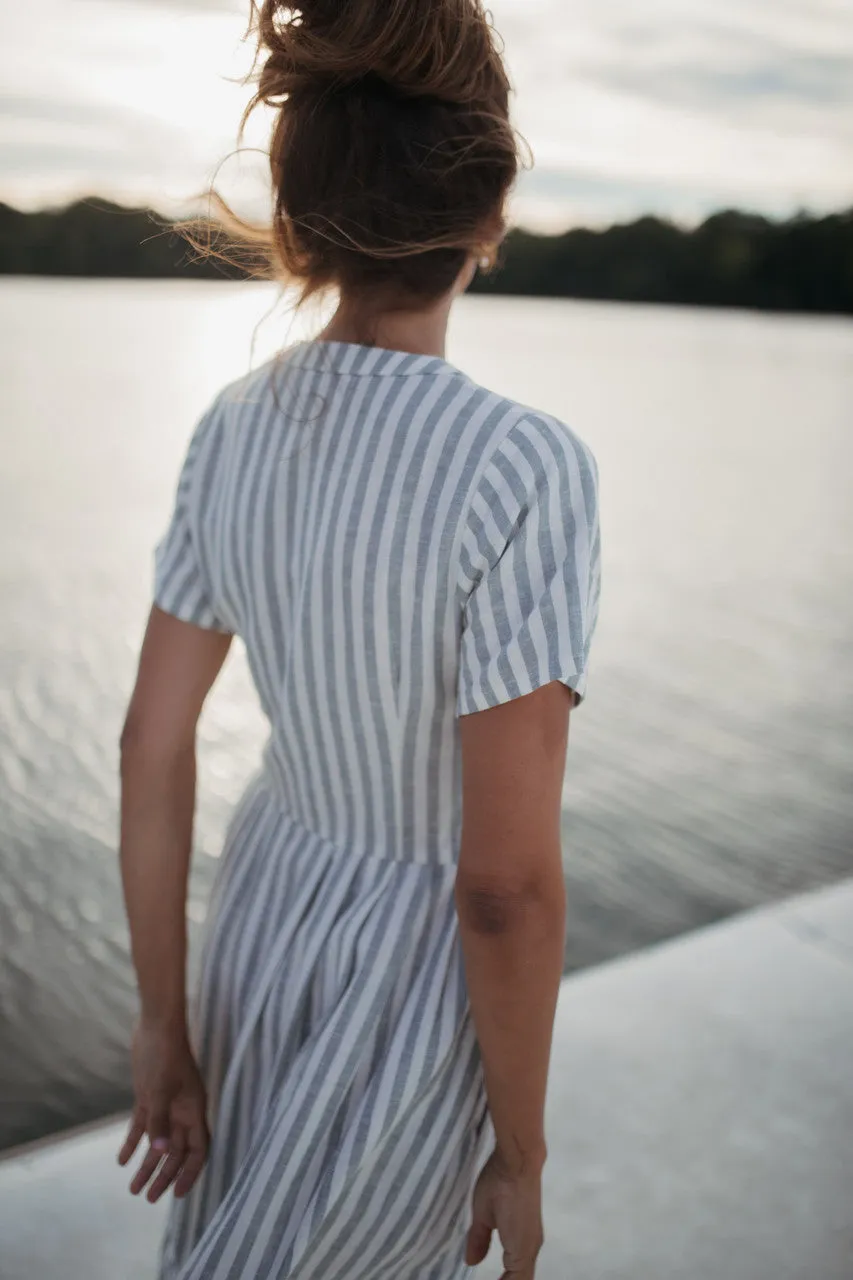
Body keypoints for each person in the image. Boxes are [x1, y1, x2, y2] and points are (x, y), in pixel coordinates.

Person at [116, 1, 602, 1277]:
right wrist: (523, 1149)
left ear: (300, 219)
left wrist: (163, 1025)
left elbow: (151, 749)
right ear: (488, 213)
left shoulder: (230, 423)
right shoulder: (521, 466)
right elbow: (501, 886)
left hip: (264, 913)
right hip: (415, 972)